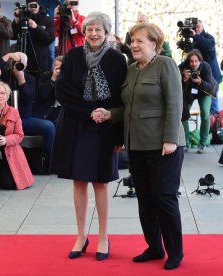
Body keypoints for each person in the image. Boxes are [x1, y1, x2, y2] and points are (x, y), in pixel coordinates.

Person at [94, 22, 186, 270]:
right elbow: (128, 107)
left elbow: (175, 104)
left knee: (164, 198)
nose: (133, 45)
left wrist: (170, 139)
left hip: (162, 145)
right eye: (132, 40)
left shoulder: (165, 65)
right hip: (136, 145)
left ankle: (175, 252)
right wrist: (110, 114)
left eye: (139, 41)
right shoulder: (132, 69)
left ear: (154, 44)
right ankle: (155, 248)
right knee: (145, 200)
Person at [50, 12, 127, 261]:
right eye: (90, 29)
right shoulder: (72, 56)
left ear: (106, 32)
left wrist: (119, 134)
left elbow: (119, 99)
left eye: (98, 30)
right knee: (79, 181)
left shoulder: (117, 60)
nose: (93, 34)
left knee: (101, 182)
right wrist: (89, 111)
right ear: (84, 32)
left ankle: (103, 236)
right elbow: (63, 90)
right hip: (76, 124)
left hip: (105, 127)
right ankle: (81, 235)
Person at [0, 52, 55, 160]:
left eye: (21, 64)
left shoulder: (30, 79)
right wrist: (7, 56)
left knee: (49, 126)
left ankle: (50, 162)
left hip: (23, 119)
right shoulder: (5, 76)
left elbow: (29, 99)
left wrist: (22, 81)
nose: (18, 66)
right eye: (16, 63)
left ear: (26, 66)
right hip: (4, 119)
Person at [180, 49, 217, 153]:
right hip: (189, 92)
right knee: (183, 115)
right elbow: (177, 86)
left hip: (204, 92)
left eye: (196, 61)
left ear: (200, 61)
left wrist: (200, 82)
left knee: (205, 115)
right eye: (191, 61)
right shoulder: (183, 66)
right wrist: (184, 79)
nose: (194, 64)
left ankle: (203, 143)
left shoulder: (206, 67)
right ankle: (185, 143)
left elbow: (210, 86)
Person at [12, 0, 55, 77]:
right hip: (24, 59)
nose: (33, 8)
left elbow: (49, 39)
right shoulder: (23, 19)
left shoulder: (47, 20)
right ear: (27, 7)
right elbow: (13, 36)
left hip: (41, 60)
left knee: (40, 85)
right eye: (30, 6)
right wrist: (16, 19)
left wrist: (36, 27)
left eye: (35, 6)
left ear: (39, 6)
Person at [191, 19, 222, 114]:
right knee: (205, 106)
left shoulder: (209, 38)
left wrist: (195, 36)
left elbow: (208, 46)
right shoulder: (194, 41)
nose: (196, 29)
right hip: (199, 77)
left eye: (198, 26)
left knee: (212, 105)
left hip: (212, 77)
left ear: (202, 27)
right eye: (195, 27)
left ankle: (215, 126)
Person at [33, 55, 63, 124]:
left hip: (62, 111)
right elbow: (43, 95)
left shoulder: (69, 78)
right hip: (47, 112)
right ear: (53, 67)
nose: (59, 71)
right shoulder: (46, 76)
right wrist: (53, 79)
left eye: (62, 68)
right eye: (57, 68)